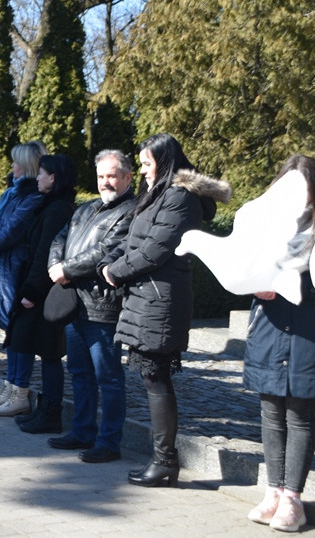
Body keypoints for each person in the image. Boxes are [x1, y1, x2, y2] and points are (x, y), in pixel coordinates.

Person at [101, 133, 230, 487]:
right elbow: (133, 240)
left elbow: (157, 249)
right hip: (145, 296)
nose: (143, 170)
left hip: (160, 298)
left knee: (156, 378)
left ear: (165, 161)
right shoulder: (158, 192)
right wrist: (110, 263)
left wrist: (115, 271)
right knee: (151, 378)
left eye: (147, 164)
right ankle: (162, 461)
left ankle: (165, 462)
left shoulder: (179, 196)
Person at [242, 156, 315, 531]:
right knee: (271, 412)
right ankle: (273, 492)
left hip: (309, 328)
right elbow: (240, 268)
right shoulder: (266, 225)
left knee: (299, 413)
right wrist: (253, 283)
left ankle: (293, 498)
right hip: (269, 326)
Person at [46, 150, 135, 464]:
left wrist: (66, 269)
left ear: (127, 177)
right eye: (101, 176)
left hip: (103, 306)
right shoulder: (85, 209)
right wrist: (55, 265)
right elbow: (59, 238)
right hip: (75, 302)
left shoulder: (132, 211)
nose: (105, 182)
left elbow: (105, 251)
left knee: (107, 377)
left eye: (112, 176)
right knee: (79, 372)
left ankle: (109, 441)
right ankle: (82, 431)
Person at [4, 153, 77, 433]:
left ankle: (51, 412)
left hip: (47, 292)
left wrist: (31, 291)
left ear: (53, 178)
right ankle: (45, 409)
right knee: (42, 349)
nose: (38, 178)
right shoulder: (51, 205)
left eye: (42, 173)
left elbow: (46, 253)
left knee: (49, 352)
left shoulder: (58, 209)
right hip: (41, 289)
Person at [0, 141, 48, 415]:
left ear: (27, 166)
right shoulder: (12, 193)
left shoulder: (32, 198)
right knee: (11, 335)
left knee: (19, 335)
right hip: (2, 268)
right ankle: (9, 388)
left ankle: (20, 393)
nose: (12, 166)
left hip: (16, 270)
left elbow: (11, 231)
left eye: (16, 162)